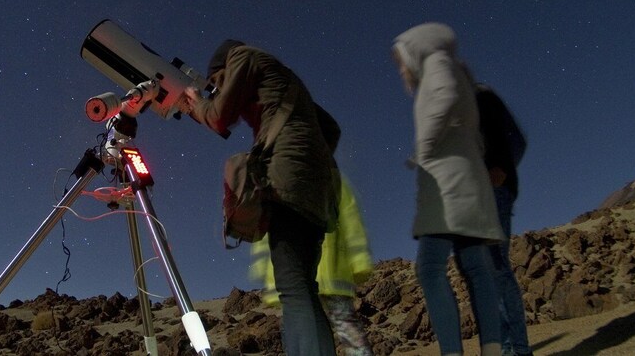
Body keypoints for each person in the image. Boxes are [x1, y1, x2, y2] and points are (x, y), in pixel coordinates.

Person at [183, 39, 340, 356]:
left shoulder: (243, 56)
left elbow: (218, 116)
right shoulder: (285, 81)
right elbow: (331, 129)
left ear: (224, 67)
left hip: (287, 184)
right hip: (316, 189)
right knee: (301, 286)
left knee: (294, 287)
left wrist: (196, 102)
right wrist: (307, 158)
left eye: (217, 82)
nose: (217, 89)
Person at [391, 23, 504, 356]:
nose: (401, 69)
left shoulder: (436, 64)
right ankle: (492, 350)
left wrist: (423, 150)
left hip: (447, 186)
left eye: (401, 60)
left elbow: (444, 97)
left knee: (429, 267)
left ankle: (452, 352)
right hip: (467, 181)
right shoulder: (458, 71)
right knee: (475, 266)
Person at [250, 172, 374, 356]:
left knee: (305, 328)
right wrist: (359, 262)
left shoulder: (278, 182)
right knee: (332, 328)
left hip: (325, 275)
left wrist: (359, 261)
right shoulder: (328, 177)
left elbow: (351, 221)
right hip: (328, 274)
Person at [476, 85, 534, 356]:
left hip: (492, 190)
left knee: (496, 268)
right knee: (488, 273)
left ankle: (516, 350)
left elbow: (501, 137)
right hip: (480, 195)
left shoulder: (478, 96)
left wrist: (498, 168)